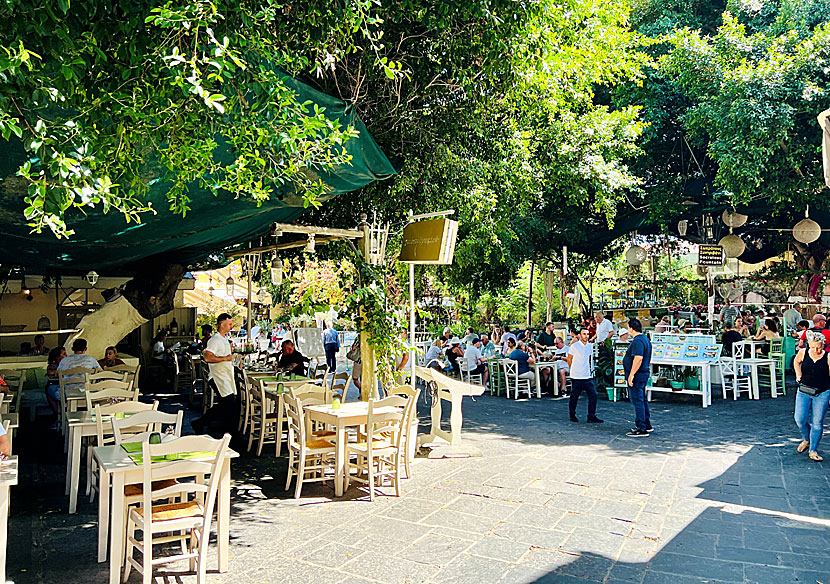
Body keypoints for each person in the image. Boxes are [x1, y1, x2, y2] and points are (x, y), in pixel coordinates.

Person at [192, 313, 237, 436]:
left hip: (225, 376)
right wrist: (225, 358)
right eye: (229, 324)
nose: (231, 326)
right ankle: (228, 432)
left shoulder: (223, 339)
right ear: (222, 325)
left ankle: (201, 423)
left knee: (226, 404)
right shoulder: (215, 340)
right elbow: (207, 357)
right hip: (218, 377)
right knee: (229, 403)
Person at [792, 330, 830, 462]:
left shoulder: (828, 357)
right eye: (813, 347)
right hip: (804, 390)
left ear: (823, 345)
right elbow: (796, 362)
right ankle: (807, 439)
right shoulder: (803, 352)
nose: (816, 350)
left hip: (822, 392)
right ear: (809, 344)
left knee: (817, 422)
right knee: (799, 419)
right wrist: (798, 374)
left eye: (819, 347)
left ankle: (813, 449)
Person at [623, 319, 652, 437]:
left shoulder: (638, 341)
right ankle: (646, 423)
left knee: (637, 400)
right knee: (642, 398)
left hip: (638, 374)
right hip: (643, 373)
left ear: (631, 328)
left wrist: (631, 375)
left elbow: (638, 358)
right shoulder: (645, 339)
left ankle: (641, 426)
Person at [567, 328, 602, 423]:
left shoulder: (590, 346)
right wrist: (572, 369)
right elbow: (569, 359)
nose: (586, 336)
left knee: (593, 395)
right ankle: (572, 414)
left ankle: (591, 415)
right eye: (584, 334)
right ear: (580, 335)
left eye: (587, 334)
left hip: (587, 375)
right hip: (577, 376)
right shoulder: (575, 346)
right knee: (574, 396)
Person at [45, 346, 66, 429]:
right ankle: (59, 416)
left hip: (63, 387)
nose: (67, 355)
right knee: (50, 391)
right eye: (64, 354)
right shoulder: (52, 366)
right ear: (58, 357)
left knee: (49, 392)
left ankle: (58, 417)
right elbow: (51, 372)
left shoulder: (66, 365)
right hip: (57, 386)